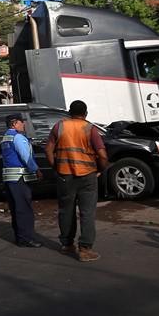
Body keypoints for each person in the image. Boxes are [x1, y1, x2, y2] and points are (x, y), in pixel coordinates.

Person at [46, 100, 108, 262]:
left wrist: (56, 167)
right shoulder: (90, 129)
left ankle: (67, 245)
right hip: (88, 176)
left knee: (66, 210)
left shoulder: (59, 127)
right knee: (87, 212)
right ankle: (85, 249)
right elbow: (102, 155)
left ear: (69, 112)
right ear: (85, 113)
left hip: (65, 176)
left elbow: (48, 150)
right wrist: (101, 170)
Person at [0, 114, 41, 247]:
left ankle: (20, 237)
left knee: (16, 209)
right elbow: (26, 156)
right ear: (14, 123)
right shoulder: (18, 137)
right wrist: (36, 170)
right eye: (21, 122)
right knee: (24, 209)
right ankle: (27, 239)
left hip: (10, 179)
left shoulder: (6, 137)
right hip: (20, 179)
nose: (24, 124)